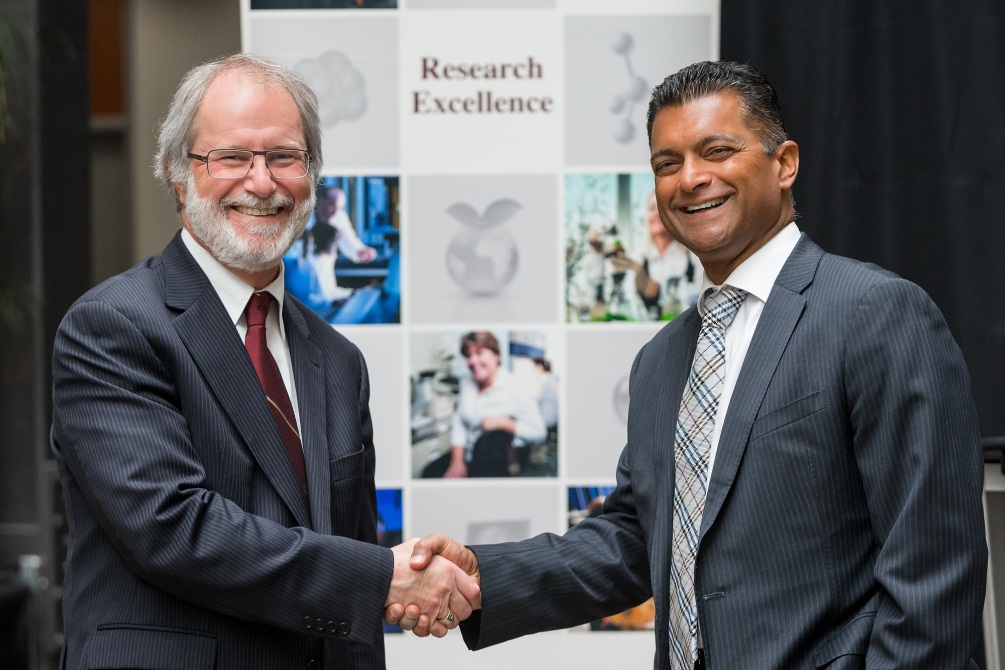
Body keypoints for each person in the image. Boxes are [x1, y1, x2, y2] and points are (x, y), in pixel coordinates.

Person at [390, 61, 988, 669]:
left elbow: (932, 571)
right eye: (667, 164)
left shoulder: (874, 314)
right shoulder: (663, 361)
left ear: (784, 164)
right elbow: (635, 539)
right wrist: (480, 578)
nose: (691, 179)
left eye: (717, 151)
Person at [49, 54, 477, 670]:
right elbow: (172, 528)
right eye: (231, 158)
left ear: (312, 175)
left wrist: (379, 585)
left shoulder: (337, 359)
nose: (262, 182)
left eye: (284, 157)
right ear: (176, 172)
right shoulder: (113, 325)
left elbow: (345, 556)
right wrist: (382, 578)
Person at [440, 331, 547, 478]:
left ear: (497, 356)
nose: (473, 360)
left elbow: (539, 433)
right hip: (466, 455)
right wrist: (457, 461)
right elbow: (459, 422)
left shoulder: (516, 388)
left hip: (494, 464)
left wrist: (503, 423)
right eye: (468, 355)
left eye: (479, 353)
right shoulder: (467, 382)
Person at [609, 191, 703, 320]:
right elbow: (627, 307)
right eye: (651, 208)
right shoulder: (638, 259)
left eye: (661, 207)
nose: (656, 213)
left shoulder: (695, 258)